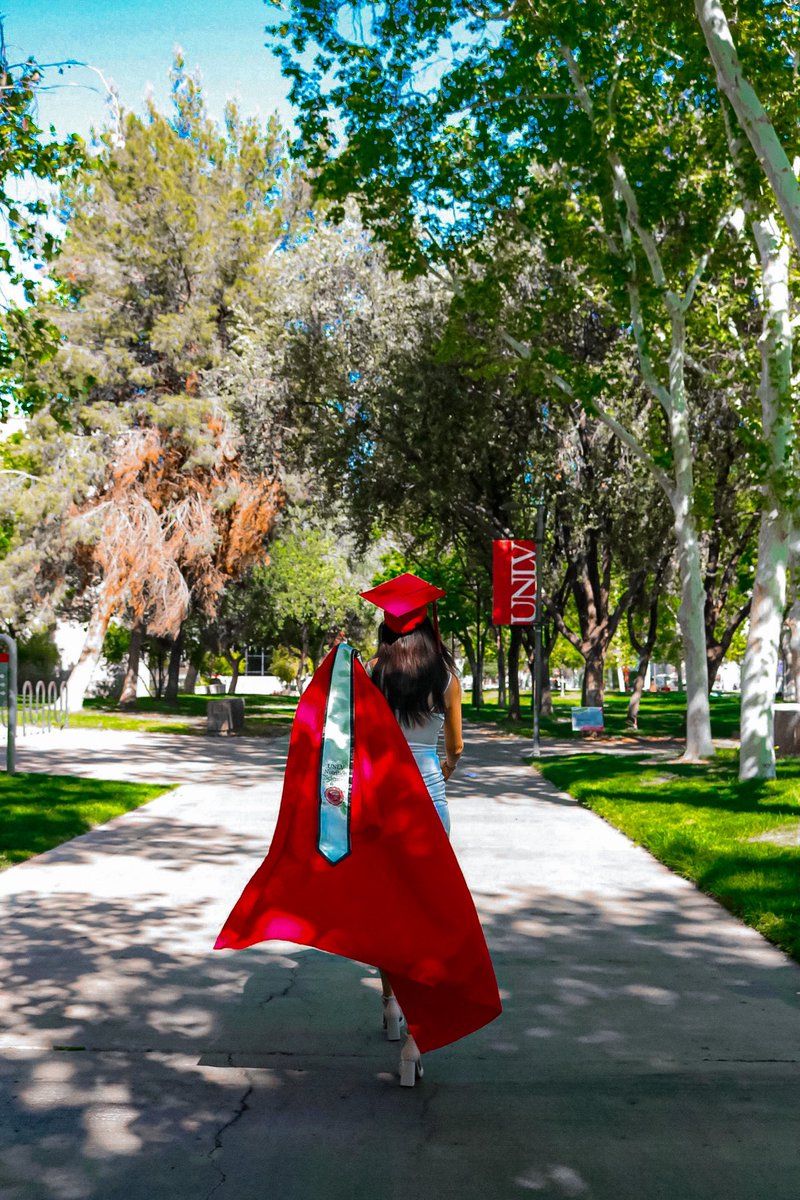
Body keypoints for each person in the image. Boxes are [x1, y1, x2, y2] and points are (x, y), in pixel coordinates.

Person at [214, 573, 500, 1087]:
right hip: (430, 805)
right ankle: (417, 1035)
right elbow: (454, 748)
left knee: (390, 913)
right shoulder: (448, 681)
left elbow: (347, 742)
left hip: (382, 808)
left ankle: (390, 1006)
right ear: (429, 630)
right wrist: (440, 773)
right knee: (428, 914)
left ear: (386, 633)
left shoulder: (368, 678)